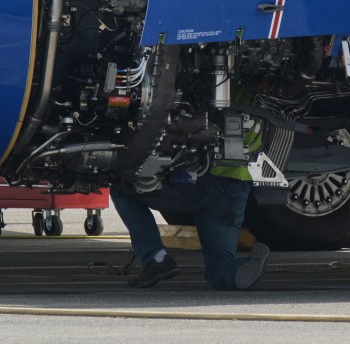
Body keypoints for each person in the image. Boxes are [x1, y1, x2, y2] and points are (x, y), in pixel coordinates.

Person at [110, 114, 270, 290]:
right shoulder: (261, 99)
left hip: (201, 180)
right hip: (236, 188)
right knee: (217, 267)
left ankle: (156, 258)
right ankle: (237, 270)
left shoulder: (223, 91)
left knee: (122, 190)